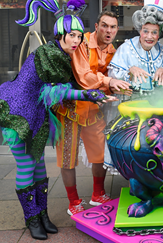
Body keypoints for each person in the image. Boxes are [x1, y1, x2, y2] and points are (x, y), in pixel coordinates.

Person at [0, 0, 115, 240]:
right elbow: (57, 91)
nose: (75, 40)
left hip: (38, 114)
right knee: (27, 166)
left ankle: (42, 216)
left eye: (78, 35)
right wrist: (91, 95)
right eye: (71, 35)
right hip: (20, 113)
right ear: (59, 35)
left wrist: (93, 94)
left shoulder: (62, 54)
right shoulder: (49, 54)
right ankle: (31, 220)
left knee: (40, 168)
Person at [55, 11, 131, 215]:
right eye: (104, 25)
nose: (109, 30)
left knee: (100, 153)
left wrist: (120, 86)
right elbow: (83, 77)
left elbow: (110, 80)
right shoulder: (82, 42)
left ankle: (98, 194)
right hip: (69, 107)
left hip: (93, 108)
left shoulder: (114, 50)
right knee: (67, 157)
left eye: (113, 27)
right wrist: (109, 82)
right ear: (96, 26)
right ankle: (73, 202)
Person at [108, 0, 163, 93]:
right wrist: (130, 71)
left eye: (154, 32)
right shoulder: (126, 48)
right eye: (145, 31)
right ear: (139, 29)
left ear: (160, 34)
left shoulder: (162, 51)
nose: (149, 36)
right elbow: (112, 77)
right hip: (130, 103)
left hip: (156, 104)